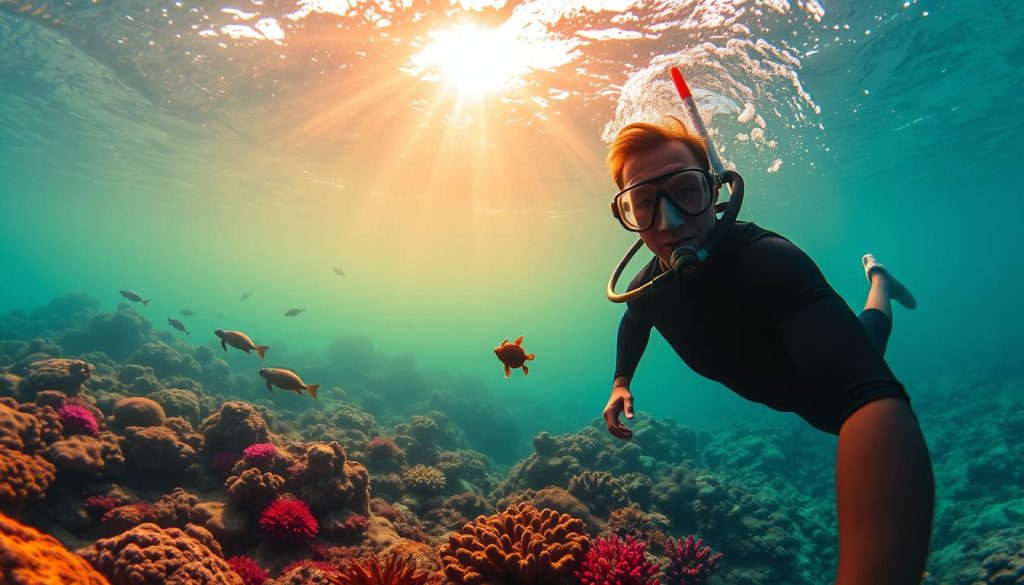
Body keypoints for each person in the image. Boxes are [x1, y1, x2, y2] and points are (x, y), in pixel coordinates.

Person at [601, 117, 934, 585]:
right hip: (795, 397)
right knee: (863, 342)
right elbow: (634, 319)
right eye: (643, 204)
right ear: (628, 216)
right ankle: (879, 279)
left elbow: (872, 400)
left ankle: (879, 279)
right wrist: (621, 382)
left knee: (868, 346)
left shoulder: (769, 260)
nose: (670, 222)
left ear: (715, 191)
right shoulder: (649, 287)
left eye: (686, 191)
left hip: (820, 391)